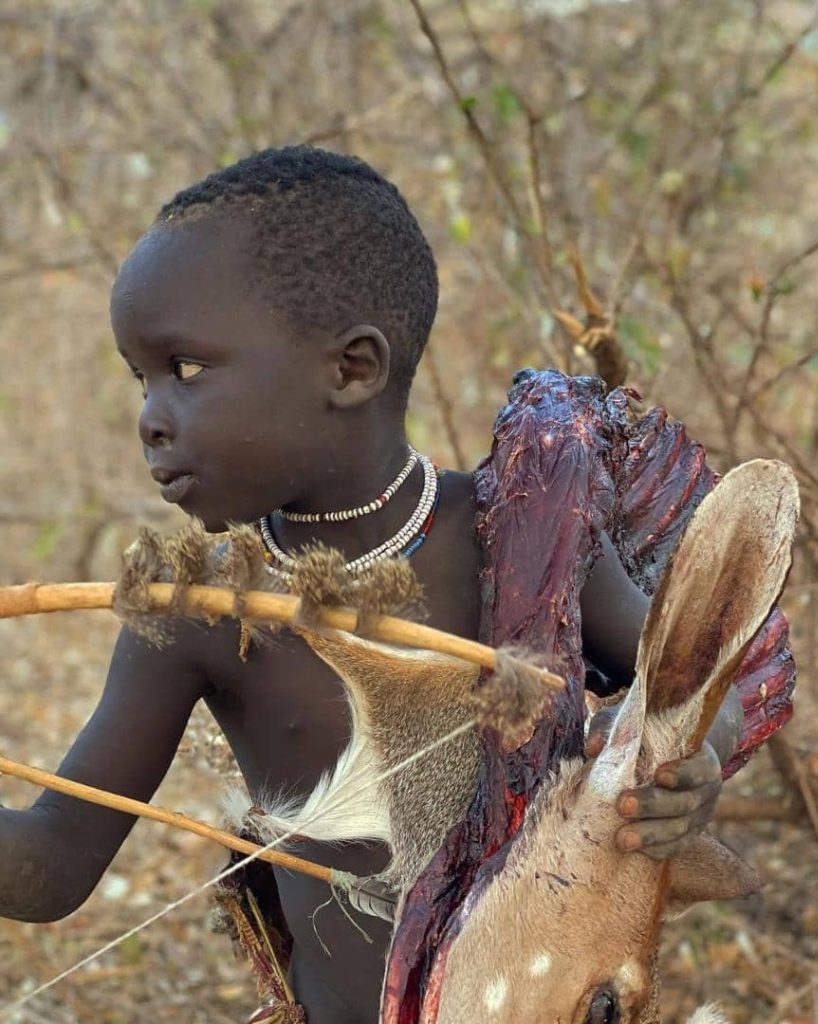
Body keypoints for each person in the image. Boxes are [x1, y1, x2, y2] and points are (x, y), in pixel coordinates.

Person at [0, 146, 749, 1024]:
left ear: (352, 369)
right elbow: (52, 866)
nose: (151, 419)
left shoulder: (522, 533)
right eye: (142, 379)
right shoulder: (198, 608)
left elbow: (696, 684)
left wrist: (679, 759)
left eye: (186, 370)